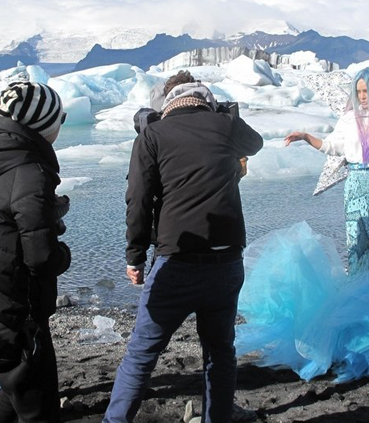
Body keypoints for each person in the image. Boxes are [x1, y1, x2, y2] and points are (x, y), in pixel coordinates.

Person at [236, 67, 369, 383]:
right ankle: (359, 339)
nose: (364, 97)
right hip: (354, 185)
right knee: (358, 263)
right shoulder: (348, 119)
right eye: (360, 91)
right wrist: (305, 137)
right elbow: (331, 147)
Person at [104, 71, 264, 423]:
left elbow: (138, 200)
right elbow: (256, 143)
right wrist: (223, 113)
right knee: (220, 351)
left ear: (165, 103)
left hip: (176, 260)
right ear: (205, 97)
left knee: (142, 352)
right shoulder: (225, 125)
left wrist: (135, 256)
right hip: (226, 259)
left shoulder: (153, 135)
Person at [0, 81, 71, 423]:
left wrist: (44, 216)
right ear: (41, 125)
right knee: (39, 408)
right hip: (15, 317)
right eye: (60, 119)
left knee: (14, 390)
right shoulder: (31, 173)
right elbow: (42, 258)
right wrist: (61, 250)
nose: (61, 125)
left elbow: (4, 223)